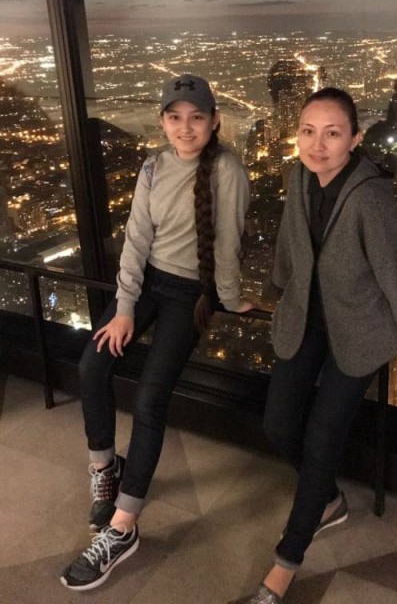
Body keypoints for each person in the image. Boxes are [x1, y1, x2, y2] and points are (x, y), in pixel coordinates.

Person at [61, 74, 253, 592]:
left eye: (196, 117)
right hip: (146, 282)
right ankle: (105, 469)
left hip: (190, 293)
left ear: (214, 121)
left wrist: (231, 299)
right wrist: (124, 308)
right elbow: (136, 239)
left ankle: (123, 527)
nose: (185, 128)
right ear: (162, 121)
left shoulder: (228, 170)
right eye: (175, 118)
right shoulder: (153, 166)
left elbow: (228, 245)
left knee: (150, 399)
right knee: (93, 364)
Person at [246, 87, 397, 603]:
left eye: (332, 133)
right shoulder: (299, 176)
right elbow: (290, 240)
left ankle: (286, 562)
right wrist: (276, 290)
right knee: (278, 423)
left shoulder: (370, 197)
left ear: (355, 139)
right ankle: (324, 495)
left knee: (322, 440)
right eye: (308, 131)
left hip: (360, 327)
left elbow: (394, 265)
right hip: (307, 318)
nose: (317, 145)